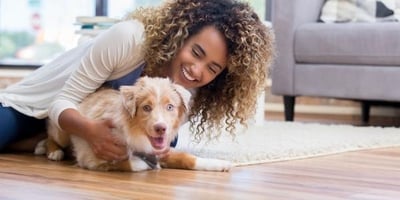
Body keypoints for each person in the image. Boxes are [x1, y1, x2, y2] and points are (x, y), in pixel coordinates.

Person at [0, 0, 274, 161]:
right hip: (34, 105)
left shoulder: (189, 92)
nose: (196, 70)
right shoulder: (129, 38)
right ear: (181, 35)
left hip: (66, 129)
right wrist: (90, 131)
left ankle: (41, 142)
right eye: (196, 52)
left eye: (212, 68)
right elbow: (62, 100)